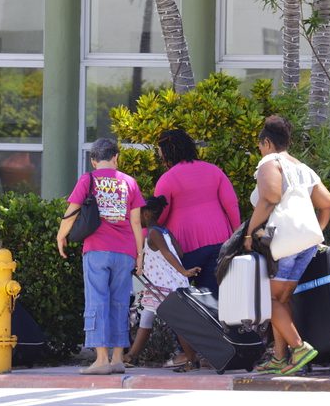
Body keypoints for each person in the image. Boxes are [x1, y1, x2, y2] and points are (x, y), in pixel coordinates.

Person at [244, 116, 330, 376]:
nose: (260, 151)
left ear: (267, 143)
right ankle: (280, 357)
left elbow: (270, 197)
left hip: (282, 241)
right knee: (282, 299)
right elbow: (327, 203)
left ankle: (299, 347)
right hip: (306, 243)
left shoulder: (269, 162)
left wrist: (250, 232)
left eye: (260, 146)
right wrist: (316, 231)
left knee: (268, 299)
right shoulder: (302, 167)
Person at [57, 138, 145, 375]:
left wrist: (61, 236)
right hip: (125, 251)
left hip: (97, 249)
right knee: (119, 303)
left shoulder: (89, 179)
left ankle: (101, 359)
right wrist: (140, 255)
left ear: (94, 160)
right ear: (116, 157)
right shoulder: (129, 182)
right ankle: (117, 358)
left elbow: (72, 210)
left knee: (97, 301)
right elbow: (136, 222)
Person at [154, 129, 240, 368]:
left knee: (183, 303)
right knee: (213, 299)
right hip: (219, 243)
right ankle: (218, 352)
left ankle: (187, 353)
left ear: (168, 152)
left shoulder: (168, 179)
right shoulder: (214, 171)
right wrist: (237, 238)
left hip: (186, 249)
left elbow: (158, 217)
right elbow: (231, 205)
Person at [125, 195, 200, 366]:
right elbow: (178, 253)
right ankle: (132, 356)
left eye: (138, 213)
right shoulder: (165, 231)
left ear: (146, 214)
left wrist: (184, 271)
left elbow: (167, 253)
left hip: (164, 286)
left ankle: (191, 359)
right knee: (146, 318)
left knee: (176, 321)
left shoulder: (152, 234)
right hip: (164, 284)